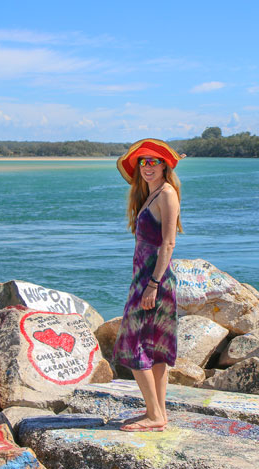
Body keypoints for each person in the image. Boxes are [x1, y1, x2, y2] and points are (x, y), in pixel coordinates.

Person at [112, 138, 183, 432]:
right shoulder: (150, 196)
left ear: (165, 165)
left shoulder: (167, 194)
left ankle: (154, 415)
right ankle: (158, 414)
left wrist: (153, 284)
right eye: (143, 162)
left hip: (154, 280)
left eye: (153, 161)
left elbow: (168, 243)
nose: (147, 167)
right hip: (145, 278)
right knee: (152, 347)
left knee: (132, 343)